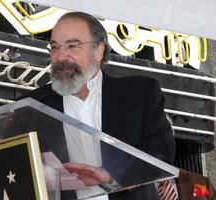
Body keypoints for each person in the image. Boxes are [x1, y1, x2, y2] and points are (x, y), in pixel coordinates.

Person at [19, 11, 175, 200]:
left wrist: (111, 174)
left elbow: (161, 150)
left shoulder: (139, 93)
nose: (61, 56)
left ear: (99, 50)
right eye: (54, 47)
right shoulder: (31, 106)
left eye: (72, 45)